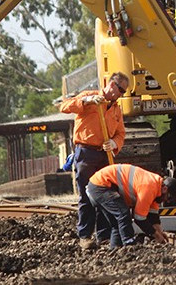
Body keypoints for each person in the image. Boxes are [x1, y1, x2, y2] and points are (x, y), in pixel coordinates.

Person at [60, 71, 129, 249]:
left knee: (104, 196)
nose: (119, 93)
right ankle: (85, 236)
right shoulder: (89, 96)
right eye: (118, 88)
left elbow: (121, 133)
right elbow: (64, 106)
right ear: (110, 84)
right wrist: (87, 101)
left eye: (123, 92)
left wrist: (114, 143)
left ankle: (104, 236)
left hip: (104, 155)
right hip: (85, 153)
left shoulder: (116, 109)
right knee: (86, 195)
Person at [86, 163, 176, 249]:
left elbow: (153, 216)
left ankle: (115, 249)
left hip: (99, 186)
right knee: (123, 214)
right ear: (165, 189)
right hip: (101, 185)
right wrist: (155, 235)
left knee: (117, 223)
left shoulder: (157, 191)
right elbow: (139, 218)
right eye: (169, 198)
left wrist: (159, 232)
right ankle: (129, 244)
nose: (167, 201)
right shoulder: (150, 187)